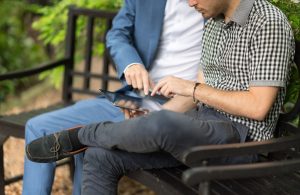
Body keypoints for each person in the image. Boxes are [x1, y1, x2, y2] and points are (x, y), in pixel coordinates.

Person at [25, 0, 295, 194]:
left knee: (162, 123)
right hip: (200, 131)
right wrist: (148, 119)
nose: (190, 3)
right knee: (100, 156)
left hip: (241, 141)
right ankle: (91, 138)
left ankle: (82, 135)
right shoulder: (214, 25)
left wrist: (189, 89)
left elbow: (258, 107)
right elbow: (197, 98)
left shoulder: (267, 22)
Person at [22, 0, 204, 195]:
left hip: (185, 106)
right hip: (135, 98)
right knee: (37, 127)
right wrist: (131, 63)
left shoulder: (215, 8)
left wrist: (182, 101)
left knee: (91, 142)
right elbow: (117, 34)